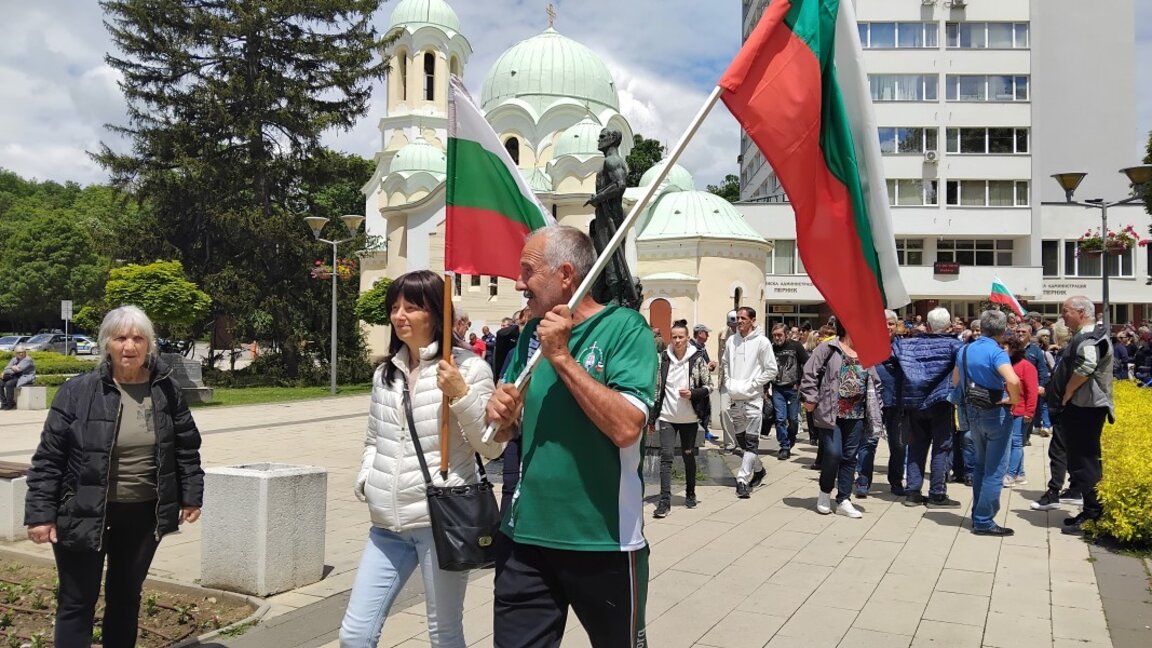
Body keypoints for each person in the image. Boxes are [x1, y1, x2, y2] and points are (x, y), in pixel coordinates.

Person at [486, 226, 656, 647]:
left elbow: (626, 427)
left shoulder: (625, 328)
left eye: (527, 271)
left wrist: (562, 357)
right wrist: (501, 414)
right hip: (524, 539)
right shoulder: (530, 334)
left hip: (603, 542)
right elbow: (510, 429)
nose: (518, 282)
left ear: (565, 274)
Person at [24, 305, 204, 646]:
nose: (129, 346)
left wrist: (191, 494)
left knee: (126, 596)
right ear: (107, 343)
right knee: (77, 601)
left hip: (143, 513)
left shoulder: (165, 389)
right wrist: (40, 515)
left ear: (149, 344)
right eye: (121, 337)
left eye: (138, 338)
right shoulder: (77, 392)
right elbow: (49, 458)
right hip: (82, 511)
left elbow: (185, 446)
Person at [341, 270, 502, 648]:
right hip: (387, 525)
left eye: (412, 308)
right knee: (354, 634)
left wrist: (461, 394)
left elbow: (490, 448)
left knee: (443, 634)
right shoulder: (386, 373)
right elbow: (373, 438)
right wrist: (368, 478)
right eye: (395, 307)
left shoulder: (468, 368)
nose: (400, 316)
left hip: (440, 521)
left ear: (436, 314)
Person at [1041, 296, 1114, 535]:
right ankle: (1090, 510)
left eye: (1066, 311)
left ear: (1081, 312)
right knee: (1081, 461)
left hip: (1086, 408)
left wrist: (1068, 391)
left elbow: (1085, 367)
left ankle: (1093, 514)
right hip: (1082, 408)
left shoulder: (1090, 338)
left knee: (1086, 462)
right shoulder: (1087, 335)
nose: (1063, 316)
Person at [800, 318, 884, 518]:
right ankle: (825, 491)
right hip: (831, 411)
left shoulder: (866, 351)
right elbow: (810, 373)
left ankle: (844, 499)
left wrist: (876, 407)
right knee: (833, 453)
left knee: (849, 456)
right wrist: (810, 398)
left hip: (856, 413)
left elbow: (875, 381)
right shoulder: (828, 347)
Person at [953, 310, 1021, 537]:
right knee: (995, 469)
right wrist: (1013, 399)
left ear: (981, 328)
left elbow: (955, 380)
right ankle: (984, 520)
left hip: (972, 410)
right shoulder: (997, 352)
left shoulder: (964, 349)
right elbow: (1013, 379)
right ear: (1002, 331)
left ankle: (977, 514)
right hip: (995, 413)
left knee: (981, 465)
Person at [893, 307, 963, 508]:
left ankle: (913, 493)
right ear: (949, 326)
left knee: (916, 446)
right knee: (942, 448)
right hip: (941, 402)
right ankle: (937, 494)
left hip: (914, 403)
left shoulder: (908, 345)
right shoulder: (955, 346)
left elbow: (893, 357)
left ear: (928, 325)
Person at [650, 320, 713, 517]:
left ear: (687, 339)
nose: (677, 341)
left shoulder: (697, 359)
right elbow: (656, 389)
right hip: (668, 416)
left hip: (689, 418)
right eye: (674, 337)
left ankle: (690, 492)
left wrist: (693, 393)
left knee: (688, 455)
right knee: (666, 457)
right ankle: (664, 500)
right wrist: (652, 418)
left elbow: (709, 386)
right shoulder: (663, 359)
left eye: (681, 337)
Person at [723, 306, 778, 498]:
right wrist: (729, 383)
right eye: (737, 318)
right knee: (741, 441)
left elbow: (771, 369)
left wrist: (755, 384)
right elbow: (726, 363)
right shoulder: (731, 341)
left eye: (743, 318)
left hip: (753, 398)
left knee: (752, 441)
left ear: (752, 320)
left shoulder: (762, 342)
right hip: (735, 398)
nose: (739, 321)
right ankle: (759, 469)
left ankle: (742, 479)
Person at [854, 311, 900, 497]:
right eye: (884, 324)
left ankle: (896, 482)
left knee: (898, 445)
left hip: (897, 403)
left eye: (891, 324)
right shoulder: (867, 347)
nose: (888, 327)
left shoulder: (903, 348)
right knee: (868, 443)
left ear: (897, 326)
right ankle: (863, 481)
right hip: (872, 403)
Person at [769, 323, 808, 461]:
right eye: (774, 335)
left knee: (793, 420)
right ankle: (784, 446)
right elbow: (767, 368)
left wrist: (802, 384)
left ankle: (791, 437)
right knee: (780, 419)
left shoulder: (796, 346)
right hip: (777, 388)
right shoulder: (771, 349)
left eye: (779, 335)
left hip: (793, 388)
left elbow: (807, 364)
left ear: (786, 335)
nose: (777, 338)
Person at [1003, 336, 1038, 487]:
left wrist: (1029, 412)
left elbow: (1032, 391)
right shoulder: (1005, 365)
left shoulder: (1026, 366)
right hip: (1008, 408)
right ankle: (1020, 473)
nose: (1001, 350)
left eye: (1004, 348)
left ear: (1012, 349)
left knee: (1015, 443)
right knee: (1014, 442)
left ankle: (1011, 475)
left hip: (1020, 410)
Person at [717, 310, 740, 452]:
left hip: (742, 380)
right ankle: (730, 443)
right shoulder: (723, 334)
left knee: (740, 413)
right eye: (731, 324)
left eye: (735, 324)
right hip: (725, 378)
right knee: (724, 410)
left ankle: (740, 440)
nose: (733, 327)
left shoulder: (748, 337)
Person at [689, 323, 717, 439]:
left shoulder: (702, 347)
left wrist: (710, 365)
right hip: (696, 385)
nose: (708, 336)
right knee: (698, 410)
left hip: (704, 384)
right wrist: (707, 366)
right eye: (706, 333)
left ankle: (705, 431)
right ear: (700, 334)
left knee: (706, 409)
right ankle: (699, 433)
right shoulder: (692, 348)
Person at [0, 345, 35, 410]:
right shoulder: (14, 359)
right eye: (19, 352)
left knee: (9, 384)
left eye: (22, 352)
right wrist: (10, 368)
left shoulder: (28, 359)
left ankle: (10, 403)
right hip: (14, 376)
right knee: (0, 382)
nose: (21, 354)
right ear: (16, 353)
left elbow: (18, 369)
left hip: (23, 377)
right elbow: (6, 369)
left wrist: (11, 369)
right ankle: (4, 403)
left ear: (25, 352)